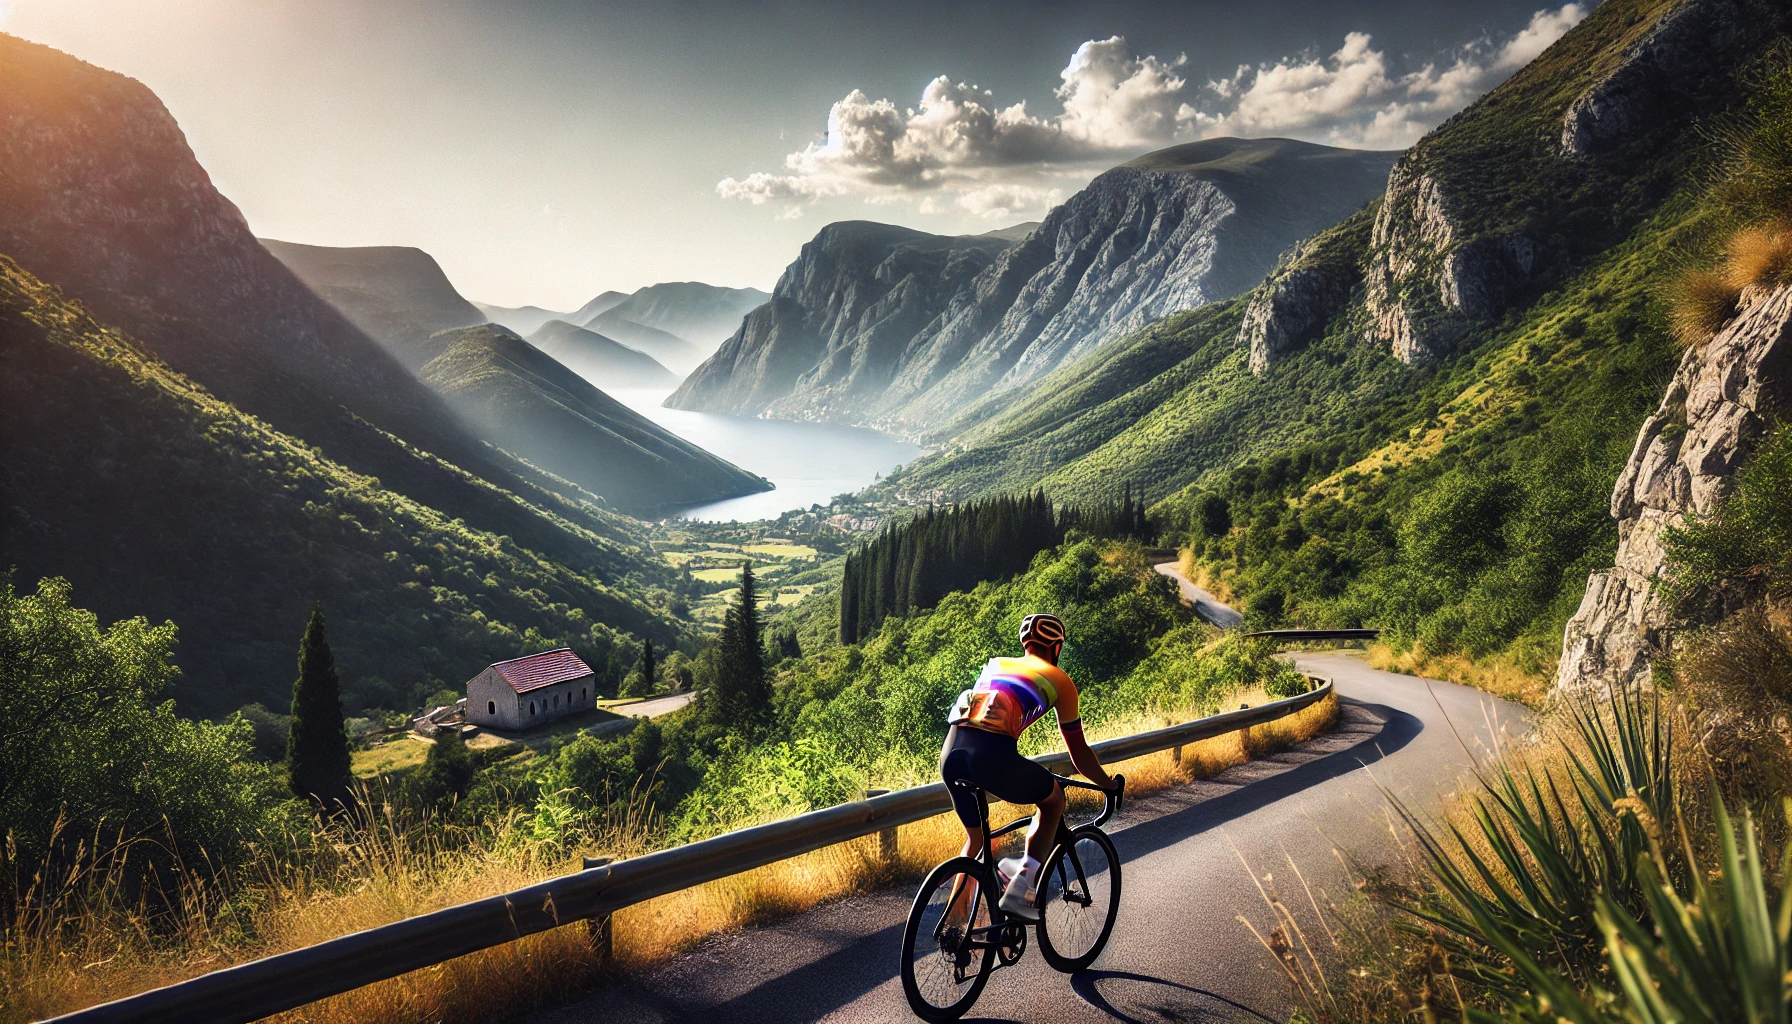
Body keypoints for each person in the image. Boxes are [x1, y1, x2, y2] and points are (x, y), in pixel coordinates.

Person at [938, 612, 1118, 922]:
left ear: (1026, 643)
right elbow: (1080, 755)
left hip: (951, 754)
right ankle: (1022, 891)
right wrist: (1109, 784)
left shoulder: (996, 664)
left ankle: (953, 926)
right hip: (992, 757)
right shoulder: (1060, 681)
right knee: (1054, 801)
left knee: (976, 840)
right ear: (1056, 648)